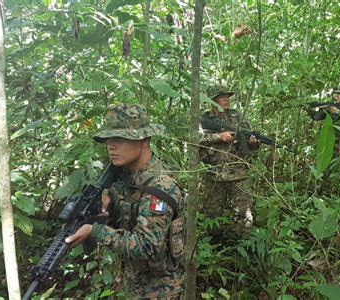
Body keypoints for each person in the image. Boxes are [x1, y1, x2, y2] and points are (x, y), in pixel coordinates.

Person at [65, 103, 185, 299]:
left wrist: (95, 230)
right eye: (109, 139)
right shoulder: (126, 177)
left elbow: (147, 246)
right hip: (134, 282)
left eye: (120, 139)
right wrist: (109, 197)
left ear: (145, 140)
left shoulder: (160, 186)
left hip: (161, 290)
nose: (111, 146)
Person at [198, 85, 260, 241]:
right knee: (211, 215)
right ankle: (213, 249)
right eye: (222, 96)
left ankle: (242, 249)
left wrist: (253, 143)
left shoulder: (238, 117)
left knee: (243, 216)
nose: (227, 99)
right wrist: (219, 137)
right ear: (212, 100)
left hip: (239, 174)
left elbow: (248, 145)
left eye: (228, 96)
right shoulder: (204, 119)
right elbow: (193, 139)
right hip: (214, 174)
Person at [307, 86, 340, 154]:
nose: (337, 96)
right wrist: (309, 111)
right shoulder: (333, 106)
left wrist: (338, 111)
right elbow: (317, 117)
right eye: (336, 94)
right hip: (332, 141)